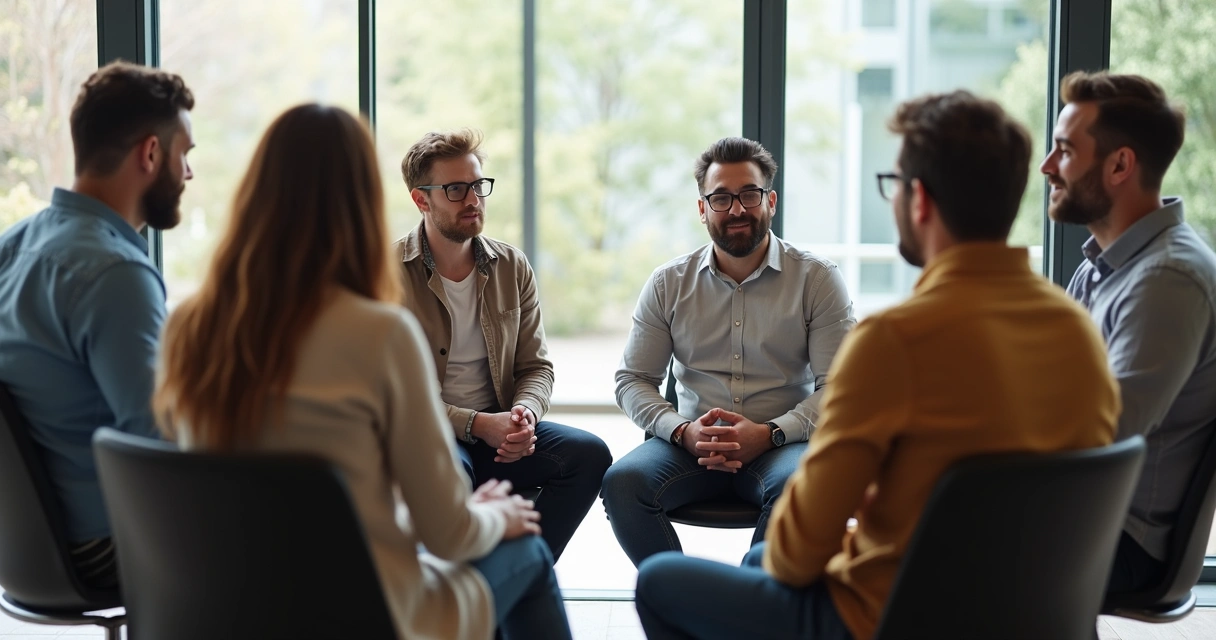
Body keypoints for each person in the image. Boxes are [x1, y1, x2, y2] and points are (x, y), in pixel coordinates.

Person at [634, 91, 1120, 640]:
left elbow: (794, 556)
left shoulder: (892, 340)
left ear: (920, 201)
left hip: (898, 617)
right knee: (754, 566)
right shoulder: (1078, 330)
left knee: (662, 581)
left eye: (894, 183)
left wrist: (863, 495)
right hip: (1035, 617)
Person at [154, 105, 571, 640]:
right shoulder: (380, 333)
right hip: (362, 610)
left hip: (231, 609)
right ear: (364, 203)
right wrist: (491, 514)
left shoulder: (186, 326)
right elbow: (449, 534)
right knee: (526, 551)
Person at [602, 136, 857, 567]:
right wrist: (683, 431)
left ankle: (745, 607)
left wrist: (771, 432)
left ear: (770, 201)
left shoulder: (817, 280)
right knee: (623, 483)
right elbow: (632, 380)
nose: (737, 209)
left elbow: (842, 389)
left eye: (749, 195)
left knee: (801, 486)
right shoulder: (668, 283)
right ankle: (682, 606)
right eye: (720, 198)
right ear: (702, 209)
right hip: (688, 446)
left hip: (782, 445)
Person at [0, 60, 195, 589]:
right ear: (151, 153)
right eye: (185, 155)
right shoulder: (115, 273)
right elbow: (158, 449)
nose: (189, 173)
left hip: (20, 548)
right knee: (307, 527)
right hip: (100, 550)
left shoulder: (14, 245)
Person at [393, 128, 612, 562]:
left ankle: (525, 571)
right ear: (422, 200)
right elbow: (394, 397)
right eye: (456, 189)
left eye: (478, 185)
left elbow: (537, 368)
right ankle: (482, 591)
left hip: (502, 432)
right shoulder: (388, 275)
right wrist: (477, 424)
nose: (473, 199)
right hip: (433, 434)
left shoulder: (511, 265)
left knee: (588, 455)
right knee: (446, 478)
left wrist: (524, 414)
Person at [1040, 71, 1216, 593]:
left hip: (1116, 539)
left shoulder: (1168, 279)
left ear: (1120, 164)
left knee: (921, 554)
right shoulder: (1102, 266)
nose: (1048, 168)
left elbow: (1101, 435)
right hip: (1083, 516)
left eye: (1065, 151)